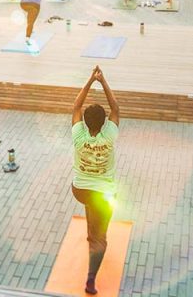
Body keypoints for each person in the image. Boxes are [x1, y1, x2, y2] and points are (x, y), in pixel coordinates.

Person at [70, 65, 120, 296]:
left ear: (86, 122)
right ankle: (90, 280)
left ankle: (91, 233)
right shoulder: (109, 134)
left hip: (79, 189)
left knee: (91, 202)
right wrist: (104, 81)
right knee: (101, 239)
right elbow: (116, 108)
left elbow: (76, 106)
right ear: (104, 122)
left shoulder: (78, 134)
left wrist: (91, 79)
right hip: (103, 192)